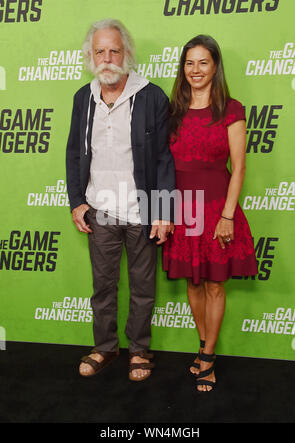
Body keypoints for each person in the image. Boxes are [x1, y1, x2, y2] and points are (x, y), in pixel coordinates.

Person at [66, 19, 175, 381]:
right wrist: (77, 201)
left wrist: (161, 211)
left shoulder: (151, 95)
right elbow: (74, 153)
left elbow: (163, 157)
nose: (107, 58)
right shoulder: (84, 97)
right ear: (91, 55)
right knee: (103, 286)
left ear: (126, 53)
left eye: (115, 50)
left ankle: (140, 351)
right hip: (101, 210)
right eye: (100, 51)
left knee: (143, 288)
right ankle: (105, 347)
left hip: (140, 211)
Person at [163, 35, 258, 392]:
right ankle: (204, 347)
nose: (195, 70)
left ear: (215, 66)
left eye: (203, 62)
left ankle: (208, 356)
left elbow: (240, 167)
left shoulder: (231, 109)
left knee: (216, 284)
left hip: (218, 208)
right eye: (189, 63)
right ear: (183, 68)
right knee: (193, 282)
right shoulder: (171, 110)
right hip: (182, 211)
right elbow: (162, 166)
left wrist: (228, 216)